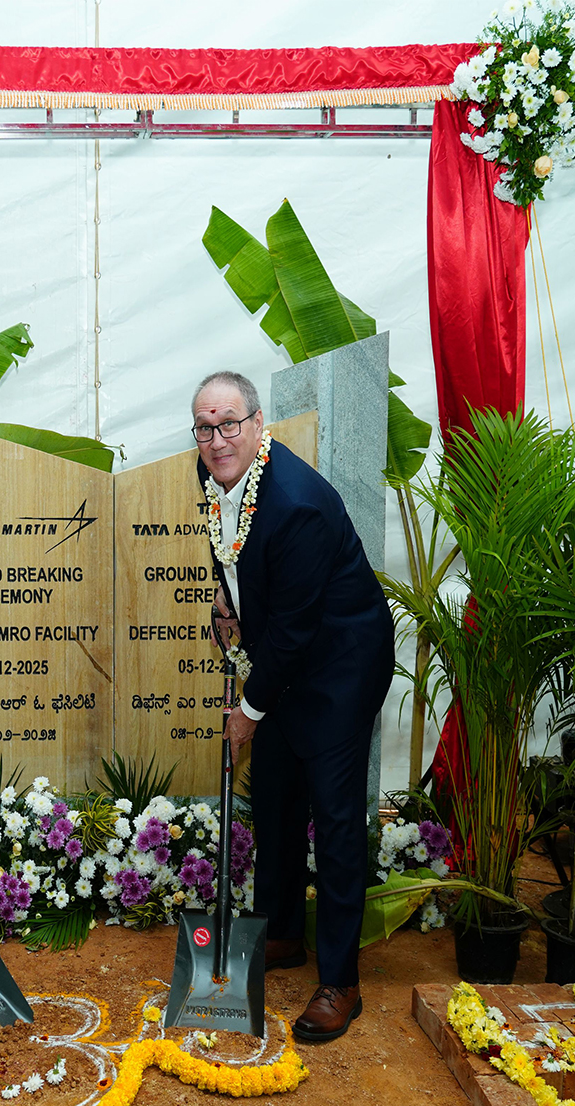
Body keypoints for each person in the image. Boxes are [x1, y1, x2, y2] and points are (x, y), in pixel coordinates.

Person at [192, 369, 395, 1043]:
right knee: (275, 796)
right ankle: (281, 932)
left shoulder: (298, 504)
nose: (217, 439)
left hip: (338, 666)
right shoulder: (217, 475)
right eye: (205, 426)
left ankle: (341, 982)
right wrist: (227, 600)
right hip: (286, 655)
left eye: (230, 424)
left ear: (257, 425)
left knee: (334, 821)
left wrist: (247, 712)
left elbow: (297, 631)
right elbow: (233, 550)